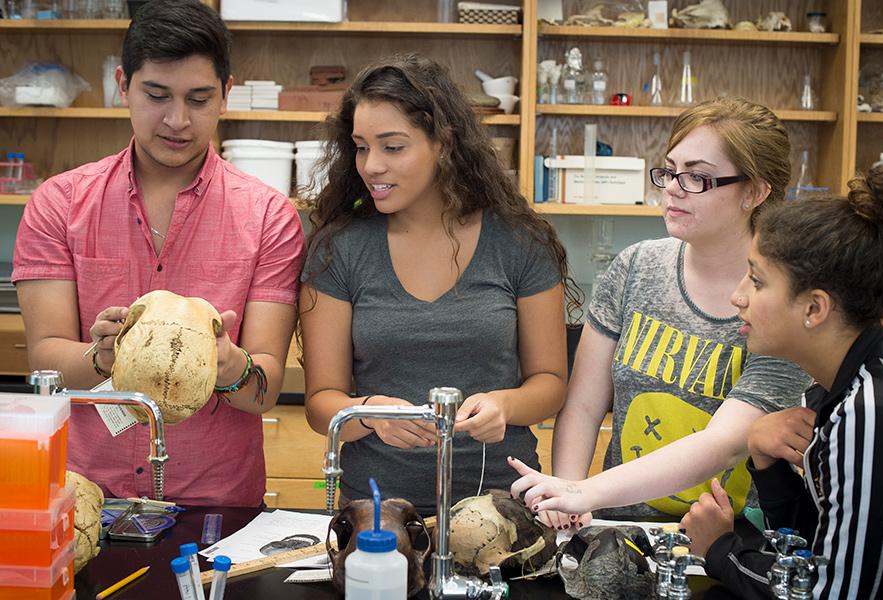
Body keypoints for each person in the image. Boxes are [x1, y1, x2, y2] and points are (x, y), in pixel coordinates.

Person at [12, 0, 303, 507]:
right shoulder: (59, 204)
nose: (177, 120)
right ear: (124, 85)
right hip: (87, 495)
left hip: (217, 501)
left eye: (199, 98)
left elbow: (266, 388)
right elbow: (45, 359)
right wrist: (100, 357)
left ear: (226, 94)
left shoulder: (269, 216)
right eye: (156, 94)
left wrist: (232, 366)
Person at [509, 97, 810, 528]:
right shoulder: (636, 267)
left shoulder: (783, 301)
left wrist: (583, 491)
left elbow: (724, 443)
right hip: (619, 527)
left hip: (728, 541)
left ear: (756, 192)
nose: (671, 186)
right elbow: (583, 403)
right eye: (670, 170)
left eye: (697, 178)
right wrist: (567, 496)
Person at [299, 53, 576, 515]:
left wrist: (505, 405)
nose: (370, 166)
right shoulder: (340, 248)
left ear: (443, 143)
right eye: (361, 147)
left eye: (392, 147)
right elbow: (320, 403)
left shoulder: (518, 241)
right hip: (376, 511)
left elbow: (550, 383)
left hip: (503, 505)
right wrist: (368, 413)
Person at [680, 165, 883, 599]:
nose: (737, 296)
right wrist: (766, 459)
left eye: (757, 281)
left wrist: (721, 550)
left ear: (814, 309)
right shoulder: (829, 388)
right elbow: (812, 545)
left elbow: (833, 590)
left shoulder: (871, 409)